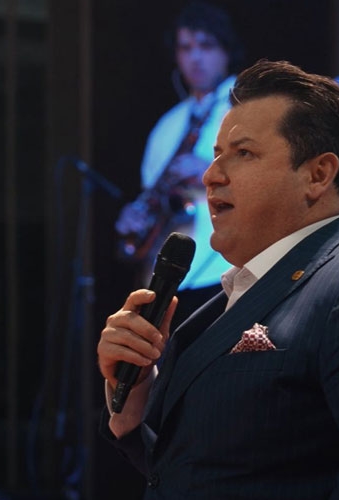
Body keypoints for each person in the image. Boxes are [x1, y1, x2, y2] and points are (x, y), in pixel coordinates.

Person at [98, 59, 339, 499]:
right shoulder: (239, 294)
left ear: (318, 175)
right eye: (216, 155)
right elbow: (211, 472)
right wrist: (134, 407)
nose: (211, 175)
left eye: (243, 153)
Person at [115, 1, 243, 326]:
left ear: (226, 51)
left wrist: (207, 170)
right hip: (168, 279)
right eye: (185, 48)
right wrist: (137, 214)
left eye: (206, 46)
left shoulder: (245, 108)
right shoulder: (167, 125)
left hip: (223, 270)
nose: (195, 57)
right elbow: (153, 194)